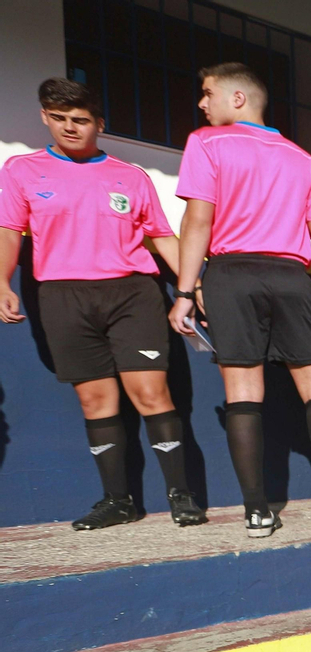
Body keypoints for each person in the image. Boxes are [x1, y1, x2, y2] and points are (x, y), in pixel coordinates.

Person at [170, 63, 311, 535]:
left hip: (231, 274)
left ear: (239, 99)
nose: (202, 104)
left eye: (208, 94)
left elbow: (198, 224)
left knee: (243, 394)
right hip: (293, 278)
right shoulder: (303, 159)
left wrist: (185, 291)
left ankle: (257, 511)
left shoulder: (205, 143)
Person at [0, 78, 203, 530]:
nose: (69, 128)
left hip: (132, 294)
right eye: (59, 119)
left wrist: (193, 285)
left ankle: (181, 494)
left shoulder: (130, 175)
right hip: (61, 296)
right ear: (44, 118)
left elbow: (162, 236)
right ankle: (117, 500)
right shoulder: (20, 170)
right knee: (95, 401)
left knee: (151, 394)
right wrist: (2, 281)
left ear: (99, 123)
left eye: (80, 120)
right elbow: (9, 230)